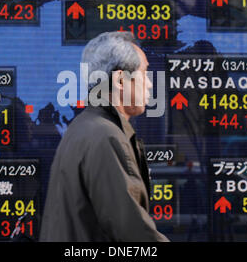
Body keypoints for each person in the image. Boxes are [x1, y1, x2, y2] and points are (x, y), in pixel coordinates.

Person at [39, 32, 169, 242]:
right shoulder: (106, 137)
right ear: (119, 80)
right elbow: (133, 233)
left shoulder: (83, 128)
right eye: (144, 73)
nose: (150, 84)